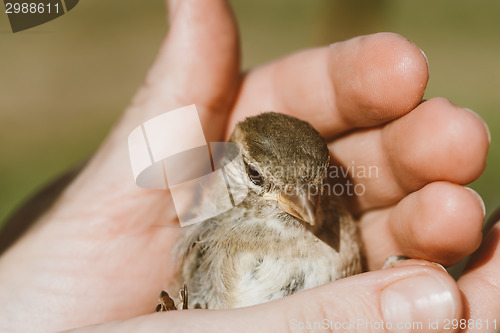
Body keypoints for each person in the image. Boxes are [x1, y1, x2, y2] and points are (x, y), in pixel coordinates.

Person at [0, 0, 497, 332]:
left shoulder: (336, 222)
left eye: (312, 186)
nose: (303, 206)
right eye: (261, 180)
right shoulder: (222, 240)